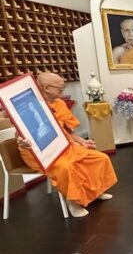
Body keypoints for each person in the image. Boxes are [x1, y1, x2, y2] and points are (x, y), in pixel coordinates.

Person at [17, 72, 117, 217]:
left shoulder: (60, 104)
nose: (63, 90)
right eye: (60, 87)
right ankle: (73, 202)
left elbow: (67, 131)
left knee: (100, 158)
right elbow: (20, 134)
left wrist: (82, 141)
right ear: (46, 88)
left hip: (63, 146)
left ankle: (95, 192)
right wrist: (22, 142)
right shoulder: (29, 106)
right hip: (38, 151)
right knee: (67, 167)